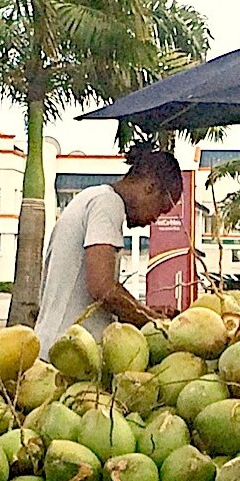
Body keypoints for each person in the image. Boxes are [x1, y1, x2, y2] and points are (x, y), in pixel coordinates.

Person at [35, 147, 182, 359]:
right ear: (150, 187)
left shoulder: (89, 197)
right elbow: (103, 289)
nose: (154, 219)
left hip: (58, 349)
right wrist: (157, 324)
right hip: (68, 356)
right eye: (161, 209)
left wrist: (146, 312)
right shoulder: (108, 203)